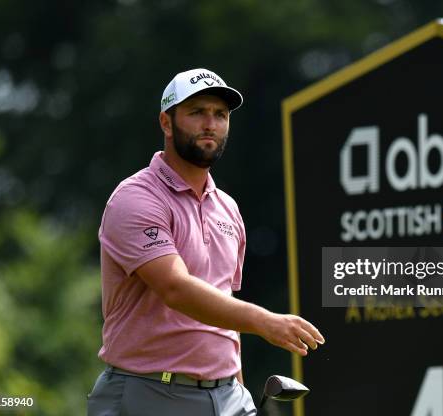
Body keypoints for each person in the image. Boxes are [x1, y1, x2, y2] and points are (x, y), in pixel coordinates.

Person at [87, 68, 325, 416]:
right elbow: (176, 289)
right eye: (197, 112)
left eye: (220, 115)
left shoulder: (227, 208)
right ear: (166, 123)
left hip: (227, 397)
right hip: (149, 392)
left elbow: (223, 306)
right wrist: (265, 321)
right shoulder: (137, 198)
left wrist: (240, 391)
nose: (210, 124)